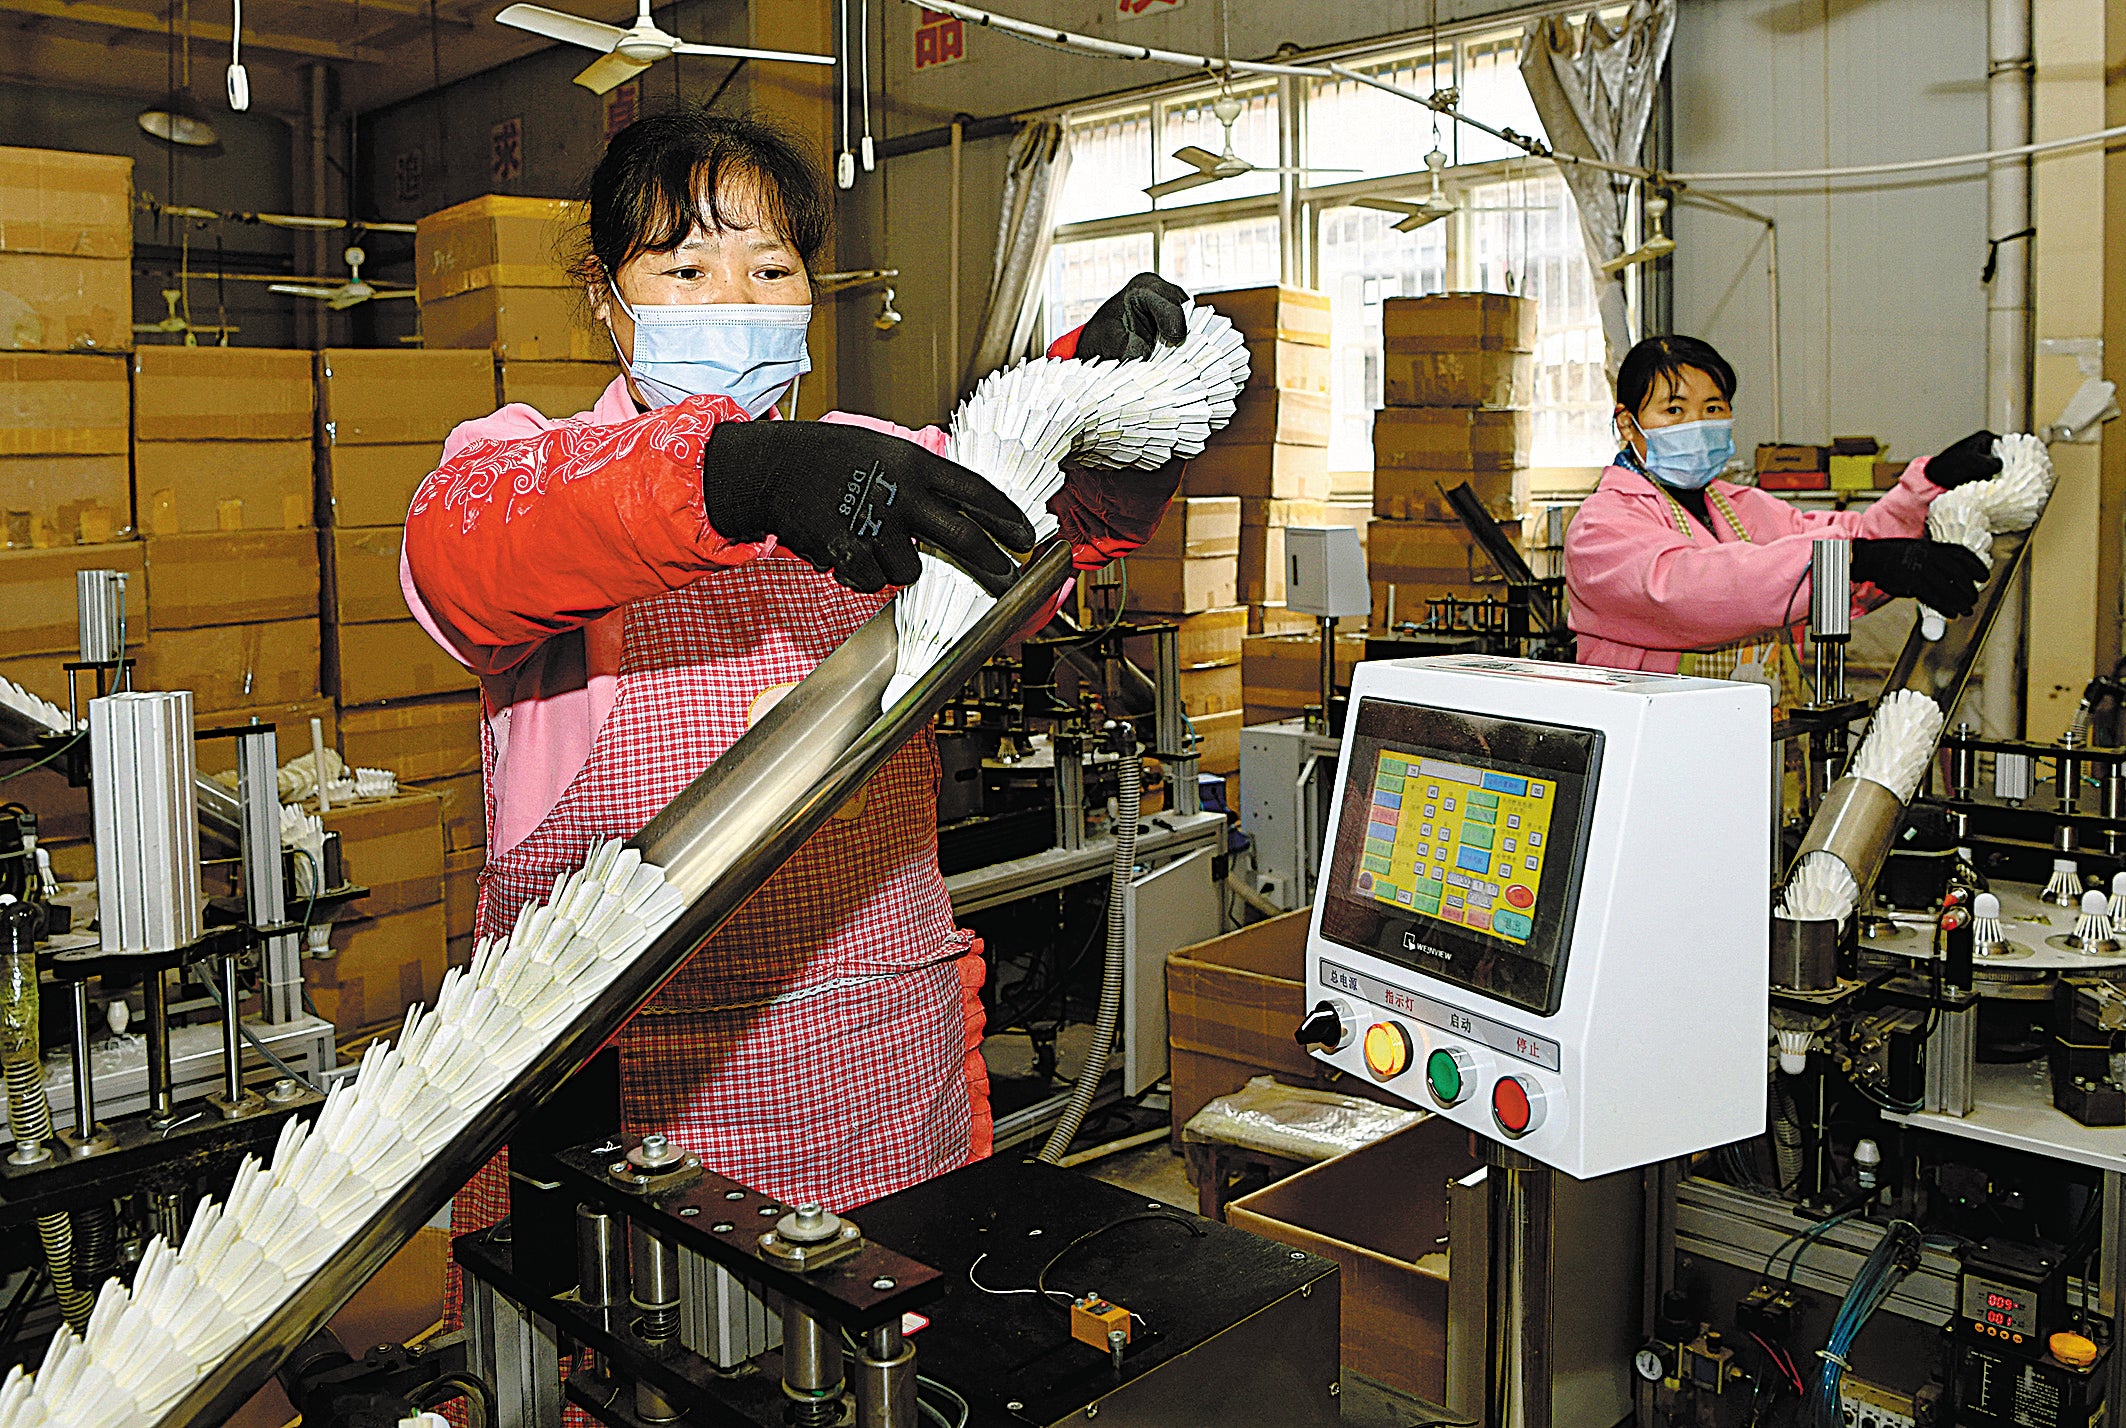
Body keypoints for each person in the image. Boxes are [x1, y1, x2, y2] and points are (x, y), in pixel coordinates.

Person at [400, 107, 1193, 1291]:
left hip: (871, 1064)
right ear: (604, 296)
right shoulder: (526, 459)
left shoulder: (868, 461)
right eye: (684, 266)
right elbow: (463, 557)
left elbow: (1013, 546)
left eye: (768, 267)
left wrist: (1107, 425)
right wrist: (736, 476)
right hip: (628, 1083)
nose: (734, 295)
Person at [1565, 334, 1997, 687]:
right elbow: (1690, 591)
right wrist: (1849, 560)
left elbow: (1860, 533)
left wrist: (1930, 483)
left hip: (1765, 747)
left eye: (1712, 408)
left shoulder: (1744, 509)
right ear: (1627, 423)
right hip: (1654, 754)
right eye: (1674, 409)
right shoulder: (1601, 528)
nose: (1696, 424)